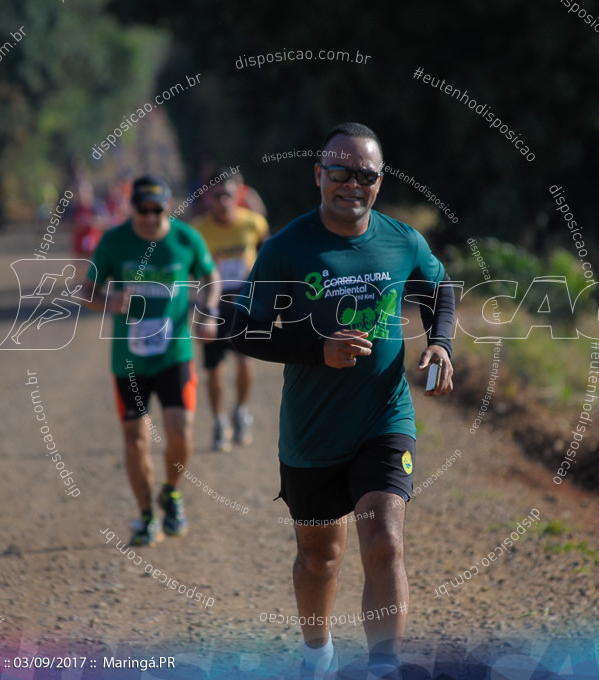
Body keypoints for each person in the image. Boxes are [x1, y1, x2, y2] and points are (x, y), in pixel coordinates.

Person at [230, 123, 456, 680]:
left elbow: (440, 288)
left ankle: (383, 666)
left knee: (383, 542)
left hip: (384, 417)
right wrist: (316, 349)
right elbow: (242, 330)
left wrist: (442, 344)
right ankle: (317, 655)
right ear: (319, 175)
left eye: (366, 175)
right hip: (312, 430)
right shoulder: (287, 248)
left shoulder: (402, 240)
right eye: (339, 172)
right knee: (320, 557)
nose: (352, 184)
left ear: (379, 182)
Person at [82, 176, 220, 547]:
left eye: (156, 210)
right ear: (132, 206)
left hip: (175, 353)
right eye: (141, 209)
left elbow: (211, 277)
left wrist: (208, 310)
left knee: (180, 433)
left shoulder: (186, 239)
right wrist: (110, 302)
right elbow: (86, 291)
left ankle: (171, 492)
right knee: (136, 441)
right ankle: (145, 516)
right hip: (129, 361)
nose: (148, 217)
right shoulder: (114, 242)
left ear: (167, 205)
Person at [189, 172, 269, 450]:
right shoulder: (198, 230)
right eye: (217, 195)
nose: (223, 201)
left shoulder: (254, 222)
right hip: (212, 304)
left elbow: (268, 252)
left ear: (238, 196)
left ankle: (241, 411)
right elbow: (190, 268)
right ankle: (219, 421)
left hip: (245, 303)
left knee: (246, 361)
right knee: (214, 370)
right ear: (209, 198)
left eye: (228, 195)